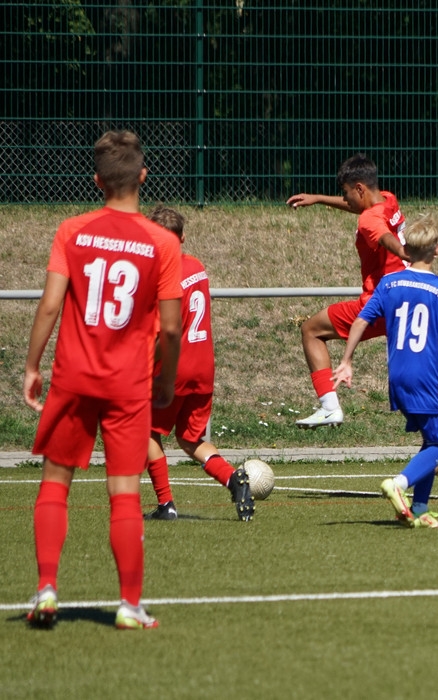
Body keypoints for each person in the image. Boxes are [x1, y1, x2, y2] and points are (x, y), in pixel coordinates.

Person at [22, 130, 182, 630]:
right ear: (143, 176)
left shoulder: (72, 230)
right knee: (124, 493)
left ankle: (46, 590)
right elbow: (171, 328)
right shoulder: (162, 242)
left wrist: (32, 366)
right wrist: (166, 380)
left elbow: (50, 304)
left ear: (97, 181)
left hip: (73, 378)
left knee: (55, 484)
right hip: (128, 385)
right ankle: (129, 606)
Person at [332, 215, 438, 528]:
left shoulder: (389, 283)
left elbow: (361, 320)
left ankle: (420, 509)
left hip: (398, 375)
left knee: (430, 440)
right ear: (436, 249)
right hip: (426, 376)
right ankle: (398, 484)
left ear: (406, 250)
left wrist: (346, 360)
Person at [142, 205, 254, 523]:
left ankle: (165, 504)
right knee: (190, 439)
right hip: (203, 366)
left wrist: (144, 365)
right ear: (182, 237)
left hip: (174, 368)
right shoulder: (196, 265)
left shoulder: (161, 276)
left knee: (145, 431)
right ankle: (233, 479)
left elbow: (168, 332)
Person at [287, 154, 408, 428]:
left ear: (359, 188)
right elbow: (364, 211)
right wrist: (318, 198)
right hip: (405, 298)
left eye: (346, 193)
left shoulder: (368, 220)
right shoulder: (388, 199)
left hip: (377, 304)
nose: (345, 199)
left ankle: (329, 407)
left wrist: (403, 251)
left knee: (311, 330)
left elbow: (381, 235)